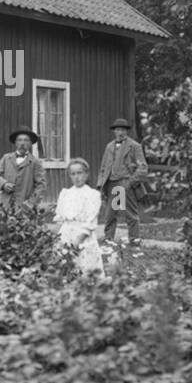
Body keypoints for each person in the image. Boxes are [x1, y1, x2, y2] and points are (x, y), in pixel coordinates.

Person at [96, 117, 149, 247]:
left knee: (130, 214)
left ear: (126, 131)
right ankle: (108, 239)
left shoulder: (134, 146)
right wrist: (100, 184)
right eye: (118, 129)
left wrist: (130, 183)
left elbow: (143, 167)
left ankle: (134, 240)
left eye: (123, 130)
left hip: (126, 183)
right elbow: (103, 167)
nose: (120, 132)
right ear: (114, 131)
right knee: (111, 213)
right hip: (113, 184)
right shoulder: (109, 147)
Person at [54, 157, 104, 275]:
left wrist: (79, 238)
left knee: (85, 265)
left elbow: (91, 219)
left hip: (82, 235)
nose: (76, 177)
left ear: (86, 174)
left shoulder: (92, 194)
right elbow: (60, 216)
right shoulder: (65, 193)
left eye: (80, 173)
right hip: (66, 233)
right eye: (73, 174)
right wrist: (59, 239)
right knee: (66, 264)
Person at [0, 126, 47, 208]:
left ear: (30, 144)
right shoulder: (6, 158)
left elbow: (41, 186)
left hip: (24, 207)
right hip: (5, 206)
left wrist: (30, 203)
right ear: (15, 143)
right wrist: (4, 184)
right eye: (19, 140)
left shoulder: (35, 162)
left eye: (26, 140)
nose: (22, 143)